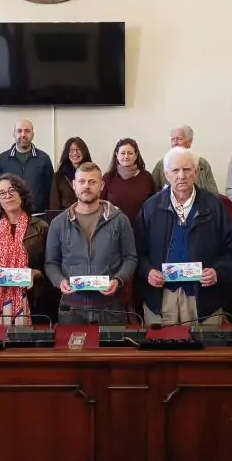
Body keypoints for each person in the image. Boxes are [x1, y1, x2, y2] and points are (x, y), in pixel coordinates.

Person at [136, 147, 232, 325]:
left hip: (204, 298)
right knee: (161, 343)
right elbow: (136, 251)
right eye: (175, 170)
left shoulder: (214, 206)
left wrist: (218, 272)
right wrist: (147, 271)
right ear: (166, 174)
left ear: (196, 172)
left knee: (204, 343)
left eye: (186, 169)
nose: (181, 176)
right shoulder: (151, 207)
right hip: (161, 297)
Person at [44, 162, 138, 324]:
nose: (86, 186)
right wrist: (59, 281)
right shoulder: (58, 223)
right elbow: (51, 263)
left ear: (101, 185)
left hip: (111, 309)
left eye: (92, 182)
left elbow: (131, 258)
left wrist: (118, 279)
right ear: (74, 185)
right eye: (82, 181)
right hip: (71, 309)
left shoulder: (119, 220)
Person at [0, 173, 54, 325]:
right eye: (2, 193)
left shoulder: (41, 227)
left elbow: (51, 265)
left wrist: (35, 273)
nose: (8, 196)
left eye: (12, 190)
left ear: (21, 194)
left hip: (34, 301)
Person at [0, 119, 53, 213]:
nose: (23, 135)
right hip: (10, 216)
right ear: (14, 134)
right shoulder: (2, 159)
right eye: (19, 131)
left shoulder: (43, 158)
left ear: (33, 135)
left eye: (27, 131)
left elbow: (51, 190)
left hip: (38, 216)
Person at [101, 138, 156, 224]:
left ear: (136, 155)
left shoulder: (147, 177)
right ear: (117, 155)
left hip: (141, 228)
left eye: (130, 153)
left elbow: (154, 205)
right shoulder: (108, 178)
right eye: (123, 153)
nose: (126, 157)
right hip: (113, 228)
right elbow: (100, 204)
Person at [151, 125, 218, 193]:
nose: (175, 143)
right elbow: (153, 191)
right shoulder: (162, 164)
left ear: (190, 141)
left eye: (179, 139)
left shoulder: (202, 163)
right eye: (173, 139)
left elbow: (213, 193)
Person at [51, 137, 92, 210]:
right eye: (71, 150)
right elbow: (54, 204)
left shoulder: (92, 173)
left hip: (88, 213)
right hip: (65, 215)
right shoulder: (59, 176)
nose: (75, 153)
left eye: (78, 149)